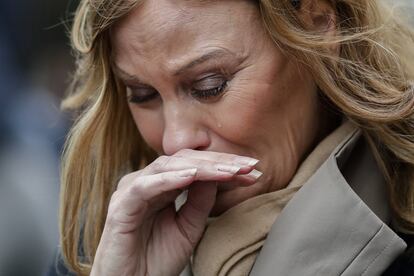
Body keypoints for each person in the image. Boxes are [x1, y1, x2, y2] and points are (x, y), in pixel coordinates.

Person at [52, 0, 414, 275]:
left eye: (210, 86)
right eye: (142, 95)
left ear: (317, 28)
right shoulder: (108, 241)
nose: (174, 142)